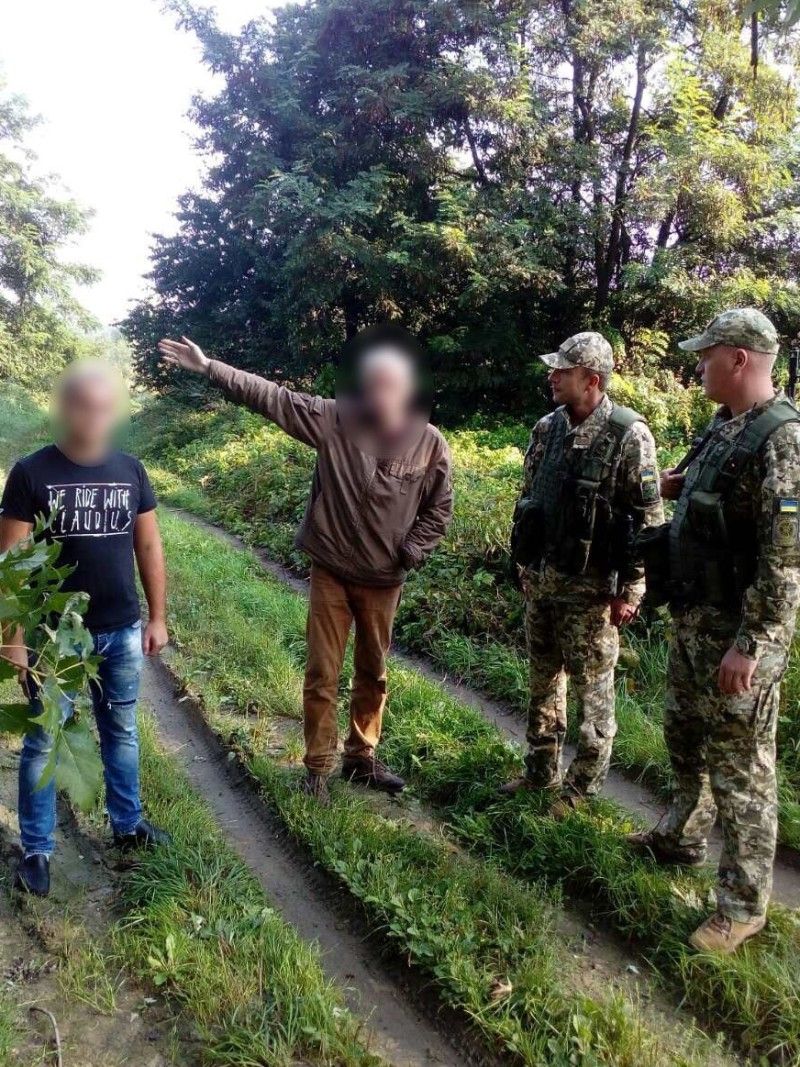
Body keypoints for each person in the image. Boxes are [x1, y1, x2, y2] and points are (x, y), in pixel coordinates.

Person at [158, 325, 453, 806]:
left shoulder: (430, 443)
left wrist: (410, 551)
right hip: (332, 570)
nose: (375, 394)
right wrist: (209, 367)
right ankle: (318, 767)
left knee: (374, 672)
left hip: (383, 581)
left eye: (386, 385)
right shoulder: (336, 419)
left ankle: (362, 757)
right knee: (322, 673)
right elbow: (273, 397)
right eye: (370, 384)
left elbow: (439, 508)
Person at [628, 308, 800, 953]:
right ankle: (681, 838)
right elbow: (712, 501)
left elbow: (785, 562)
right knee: (684, 736)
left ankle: (743, 906)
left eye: (708, 354)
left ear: (739, 359)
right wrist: (677, 486)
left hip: (739, 636)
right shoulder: (725, 426)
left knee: (742, 770)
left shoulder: (783, 440)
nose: (699, 364)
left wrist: (750, 647)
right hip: (696, 620)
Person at [0, 362, 172, 898]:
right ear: (66, 409)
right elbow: (10, 565)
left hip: (120, 631)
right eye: (84, 408)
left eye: (104, 409)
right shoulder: (31, 473)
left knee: (120, 729)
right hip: (55, 640)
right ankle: (37, 849)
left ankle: (128, 824)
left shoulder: (131, 470)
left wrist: (158, 616)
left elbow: (148, 545)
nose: (94, 419)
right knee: (44, 740)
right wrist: (13, 640)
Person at [502, 332, 663, 816]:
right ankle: (540, 771)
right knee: (542, 681)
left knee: (593, 692)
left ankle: (581, 789)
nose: (552, 376)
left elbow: (648, 520)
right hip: (544, 580)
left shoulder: (628, 434)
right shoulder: (546, 429)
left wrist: (632, 590)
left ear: (591, 379)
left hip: (593, 592)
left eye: (563, 370)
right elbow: (530, 500)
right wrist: (524, 563)